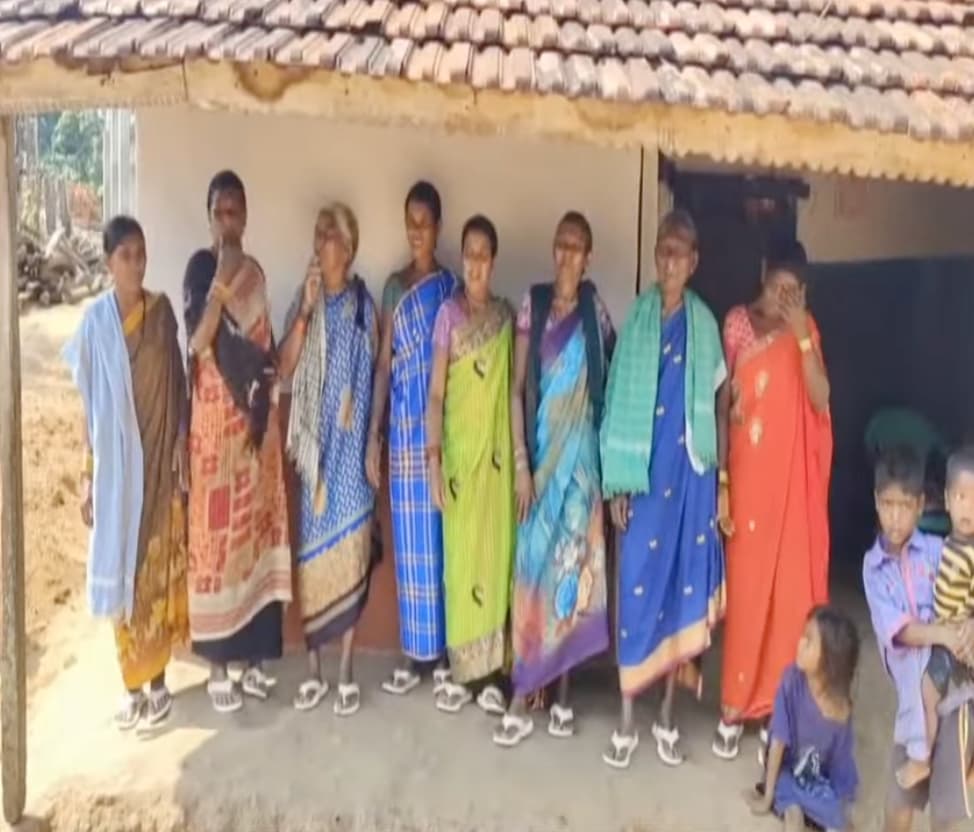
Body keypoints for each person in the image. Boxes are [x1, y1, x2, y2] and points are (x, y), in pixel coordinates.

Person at [600, 210, 726, 768]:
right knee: (636, 588)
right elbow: (618, 401)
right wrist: (619, 483)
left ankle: (668, 719)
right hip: (644, 480)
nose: (668, 259)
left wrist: (720, 476)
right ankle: (628, 717)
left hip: (692, 477)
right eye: (662, 249)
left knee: (679, 588)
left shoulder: (704, 323)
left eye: (679, 251)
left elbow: (720, 401)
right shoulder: (639, 319)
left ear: (694, 262)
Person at [492, 211, 614, 748]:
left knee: (573, 577)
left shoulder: (597, 314)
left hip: (582, 471)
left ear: (589, 257)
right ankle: (524, 689)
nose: (568, 254)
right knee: (531, 574)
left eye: (578, 246)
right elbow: (517, 389)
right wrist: (521, 464)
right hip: (539, 467)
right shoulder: (533, 305)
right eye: (561, 243)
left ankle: (561, 695)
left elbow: (607, 391)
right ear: (553, 249)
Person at [64, 215, 189, 730]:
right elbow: (90, 407)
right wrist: (90, 473)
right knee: (121, 565)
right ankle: (131, 685)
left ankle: (158, 682)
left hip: (159, 464)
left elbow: (179, 381)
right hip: (118, 473)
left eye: (141, 253)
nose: (136, 263)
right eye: (125, 255)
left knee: (153, 570)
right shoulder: (95, 325)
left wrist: (181, 438)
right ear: (108, 262)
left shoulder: (161, 316)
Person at [714, 239, 833, 760]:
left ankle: (773, 712)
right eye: (777, 285)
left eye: (793, 289)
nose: (782, 296)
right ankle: (734, 706)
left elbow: (821, 398)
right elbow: (720, 398)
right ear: (762, 275)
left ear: (803, 291)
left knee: (786, 602)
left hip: (788, 490)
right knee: (744, 595)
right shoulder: (737, 323)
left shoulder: (805, 332)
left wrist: (803, 333)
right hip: (745, 482)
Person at [183, 170, 292, 713]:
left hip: (252, 426)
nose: (228, 221)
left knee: (251, 537)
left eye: (235, 211)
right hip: (212, 429)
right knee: (218, 541)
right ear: (209, 217)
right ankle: (219, 665)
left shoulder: (258, 274)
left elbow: (264, 349)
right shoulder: (202, 269)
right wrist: (220, 284)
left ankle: (250, 661)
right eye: (220, 212)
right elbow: (199, 341)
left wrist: (268, 417)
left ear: (246, 215)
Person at [278, 203, 378, 716]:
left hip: (352, 450)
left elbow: (376, 374)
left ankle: (344, 671)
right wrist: (305, 311)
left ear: (350, 247)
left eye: (330, 236)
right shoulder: (306, 298)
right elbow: (284, 367)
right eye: (317, 235)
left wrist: (370, 445)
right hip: (316, 454)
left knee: (352, 551)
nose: (321, 244)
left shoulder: (364, 303)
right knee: (314, 556)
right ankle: (314, 669)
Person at [366, 181, 459, 697]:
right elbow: (384, 365)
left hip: (439, 435)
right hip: (402, 432)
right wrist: (374, 435)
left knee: (440, 541)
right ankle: (410, 652)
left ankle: (441, 654)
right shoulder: (394, 289)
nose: (416, 231)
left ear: (438, 227)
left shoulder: (449, 288)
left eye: (424, 222)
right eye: (409, 222)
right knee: (409, 543)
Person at [425, 215, 514, 715]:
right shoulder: (448, 316)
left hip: (497, 469)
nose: (476, 263)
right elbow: (436, 394)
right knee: (460, 566)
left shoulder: (504, 319)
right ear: (462, 259)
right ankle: (463, 671)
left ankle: (495, 675)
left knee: (495, 559)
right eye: (469, 253)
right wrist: (434, 462)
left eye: (484, 254)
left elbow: (512, 391)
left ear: (493, 261)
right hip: (459, 462)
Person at [863, 447, 974, 832]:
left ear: (922, 505)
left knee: (944, 814)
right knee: (898, 804)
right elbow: (902, 631)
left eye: (905, 506)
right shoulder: (874, 568)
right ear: (876, 502)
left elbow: (964, 594)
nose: (895, 516)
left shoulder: (937, 549)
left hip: (956, 697)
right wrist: (943, 632)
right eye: (888, 504)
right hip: (913, 710)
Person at [897, 446, 974, 789]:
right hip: (945, 633)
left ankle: (920, 759)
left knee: (927, 691)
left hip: (956, 637)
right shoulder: (946, 545)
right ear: (945, 499)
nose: (967, 508)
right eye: (960, 497)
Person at [746, 606, 860, 832]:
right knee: (781, 782)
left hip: (817, 779)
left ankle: (796, 809)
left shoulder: (841, 710)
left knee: (833, 807)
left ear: (829, 659)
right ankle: (794, 812)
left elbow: (840, 767)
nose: (799, 643)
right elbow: (778, 740)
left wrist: (840, 808)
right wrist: (767, 796)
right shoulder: (790, 681)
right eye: (802, 636)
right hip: (787, 768)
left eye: (808, 641)